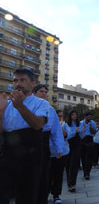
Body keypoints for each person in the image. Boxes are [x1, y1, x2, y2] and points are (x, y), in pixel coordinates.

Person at [0, 69, 49, 204]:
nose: (18, 84)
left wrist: (20, 106)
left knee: (26, 195)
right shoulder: (7, 104)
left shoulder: (41, 103)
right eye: (15, 80)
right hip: (7, 151)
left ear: (32, 84)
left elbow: (38, 124)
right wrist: (0, 111)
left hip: (30, 153)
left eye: (23, 80)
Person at [33, 84, 64, 204]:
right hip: (27, 143)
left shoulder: (50, 110)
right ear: (34, 93)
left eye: (46, 92)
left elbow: (56, 131)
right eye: (41, 91)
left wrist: (59, 148)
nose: (45, 94)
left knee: (43, 177)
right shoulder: (26, 106)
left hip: (43, 144)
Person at [48, 110, 71, 204]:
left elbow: (68, 134)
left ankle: (56, 195)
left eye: (61, 116)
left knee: (58, 175)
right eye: (58, 116)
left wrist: (59, 128)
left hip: (61, 154)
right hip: (48, 153)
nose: (60, 118)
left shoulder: (64, 125)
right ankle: (46, 192)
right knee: (47, 175)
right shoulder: (48, 124)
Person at [66, 110, 82, 192]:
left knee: (74, 164)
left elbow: (82, 133)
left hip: (77, 143)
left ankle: (72, 183)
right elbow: (67, 135)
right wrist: (74, 131)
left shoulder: (79, 124)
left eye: (75, 114)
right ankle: (69, 183)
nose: (74, 116)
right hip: (69, 144)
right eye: (73, 114)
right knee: (68, 164)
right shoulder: (67, 124)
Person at [79, 111, 97, 180]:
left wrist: (90, 128)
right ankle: (84, 172)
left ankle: (87, 173)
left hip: (90, 140)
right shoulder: (81, 123)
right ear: (85, 116)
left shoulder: (92, 123)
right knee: (83, 157)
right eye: (89, 116)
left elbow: (94, 132)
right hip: (83, 141)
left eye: (91, 116)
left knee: (89, 158)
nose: (90, 117)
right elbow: (78, 132)